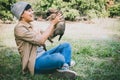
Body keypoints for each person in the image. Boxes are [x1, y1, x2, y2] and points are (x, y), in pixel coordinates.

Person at [11, 1, 77, 79]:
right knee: (59, 58)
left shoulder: (32, 25)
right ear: (21, 14)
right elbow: (41, 40)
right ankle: (64, 63)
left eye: (32, 10)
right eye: (29, 11)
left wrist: (58, 24)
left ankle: (64, 68)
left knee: (66, 45)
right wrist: (52, 23)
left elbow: (49, 36)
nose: (32, 12)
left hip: (44, 54)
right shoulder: (19, 28)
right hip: (35, 62)